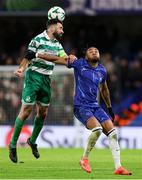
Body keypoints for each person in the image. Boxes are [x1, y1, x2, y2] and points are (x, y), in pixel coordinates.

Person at [35, 47, 132, 175]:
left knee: (113, 133)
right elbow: (59, 59)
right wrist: (38, 54)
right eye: (91, 51)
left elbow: (104, 90)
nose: (94, 52)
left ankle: (118, 167)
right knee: (97, 130)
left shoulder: (102, 70)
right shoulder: (79, 63)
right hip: (81, 106)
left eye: (97, 50)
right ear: (86, 56)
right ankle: (84, 159)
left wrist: (109, 108)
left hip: (95, 106)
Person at [9, 19, 67, 163]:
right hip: (34, 77)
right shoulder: (37, 39)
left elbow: (64, 58)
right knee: (26, 110)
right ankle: (12, 145)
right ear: (52, 27)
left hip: (47, 79)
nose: (62, 31)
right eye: (60, 28)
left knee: (43, 113)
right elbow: (28, 56)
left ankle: (32, 141)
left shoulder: (57, 44)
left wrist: (70, 58)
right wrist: (22, 68)